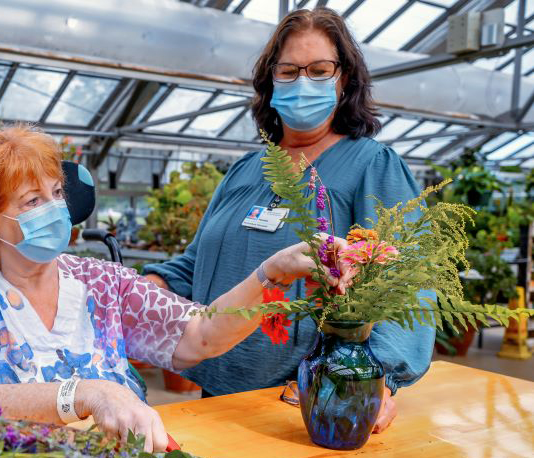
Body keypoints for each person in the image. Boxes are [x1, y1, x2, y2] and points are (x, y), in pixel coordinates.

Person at [0, 126, 351, 452]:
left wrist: (270, 274)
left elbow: (199, 334)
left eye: (56, 193)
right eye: (32, 201)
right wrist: (86, 392)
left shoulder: (100, 281)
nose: (56, 209)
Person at [143, 7, 435, 433]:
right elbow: (198, 266)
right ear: (270, 82)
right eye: (289, 71)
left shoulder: (370, 166)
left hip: (307, 403)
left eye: (319, 70)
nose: (303, 82)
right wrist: (139, 291)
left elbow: (409, 281)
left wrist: (379, 379)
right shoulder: (245, 171)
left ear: (345, 79)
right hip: (216, 390)